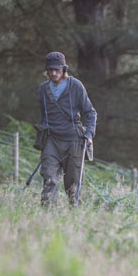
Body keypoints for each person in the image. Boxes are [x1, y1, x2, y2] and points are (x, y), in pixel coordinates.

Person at [37, 51, 97, 206]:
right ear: (47, 70)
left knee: (73, 185)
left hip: (74, 141)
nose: (54, 73)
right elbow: (43, 117)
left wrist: (89, 134)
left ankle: (74, 215)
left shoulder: (75, 86)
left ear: (64, 69)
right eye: (50, 70)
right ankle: (48, 215)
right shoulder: (43, 89)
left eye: (57, 69)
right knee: (49, 179)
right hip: (51, 140)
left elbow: (90, 113)